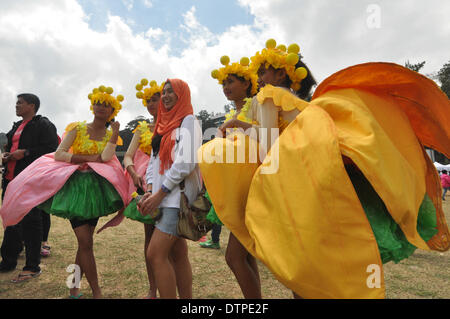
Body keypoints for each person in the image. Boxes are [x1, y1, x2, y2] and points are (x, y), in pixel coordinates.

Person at [199, 39, 450, 299]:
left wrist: (237, 132)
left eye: (262, 72)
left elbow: (268, 146)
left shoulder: (268, 96)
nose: (259, 79)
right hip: (314, 182)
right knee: (310, 264)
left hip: (290, 184)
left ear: (281, 73)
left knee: (300, 267)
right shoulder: (302, 103)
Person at [0, 86, 129, 298]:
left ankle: (73, 288)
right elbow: (59, 154)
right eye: (98, 103)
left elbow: (106, 158)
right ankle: (97, 292)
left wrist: (114, 134)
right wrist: (85, 159)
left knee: (84, 244)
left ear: (113, 111)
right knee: (85, 243)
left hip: (96, 191)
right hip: (75, 190)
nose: (101, 107)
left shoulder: (109, 135)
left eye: (107, 105)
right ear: (92, 105)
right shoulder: (78, 128)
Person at [201, 56, 262, 298]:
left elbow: (270, 137)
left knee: (233, 257)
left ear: (247, 83)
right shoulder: (229, 115)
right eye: (223, 83)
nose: (226, 87)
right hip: (237, 187)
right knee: (246, 254)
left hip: (254, 187)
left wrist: (239, 125)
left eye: (231, 81)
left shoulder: (258, 104)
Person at [138, 79, 202, 299]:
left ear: (182, 94)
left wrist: (160, 193)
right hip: (162, 197)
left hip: (176, 200)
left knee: (155, 254)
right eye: (163, 92)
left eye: (170, 92)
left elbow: (186, 162)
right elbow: (153, 162)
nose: (165, 96)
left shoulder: (189, 121)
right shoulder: (163, 124)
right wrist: (149, 189)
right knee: (178, 254)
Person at [0, 93, 58, 283]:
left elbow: (52, 149)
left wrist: (25, 153)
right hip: (10, 179)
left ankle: (32, 266)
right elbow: (13, 148)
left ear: (31, 106)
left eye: (20, 103)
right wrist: (8, 155)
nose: (16, 106)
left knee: (30, 222)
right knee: (10, 219)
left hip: (29, 180)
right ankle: (8, 261)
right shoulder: (16, 126)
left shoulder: (43, 125)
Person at [123, 79, 163, 299]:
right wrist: (133, 172)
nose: (150, 104)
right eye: (148, 101)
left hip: (167, 184)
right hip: (144, 186)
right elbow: (128, 155)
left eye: (154, 99)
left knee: (171, 240)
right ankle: (152, 288)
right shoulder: (142, 129)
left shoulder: (175, 126)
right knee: (149, 236)